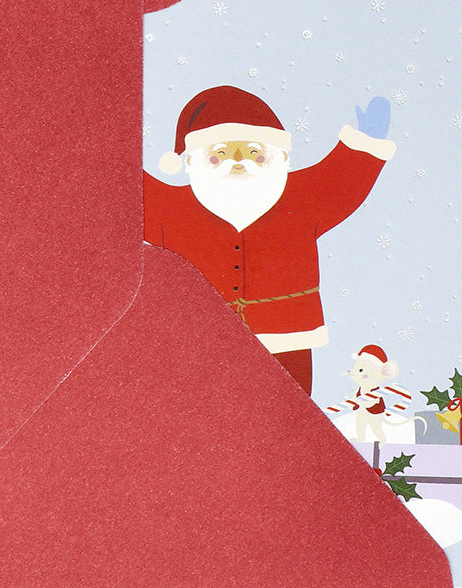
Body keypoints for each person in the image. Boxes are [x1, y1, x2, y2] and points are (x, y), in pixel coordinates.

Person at [144, 86, 395, 394]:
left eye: (254, 153)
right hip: (200, 342)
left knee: (289, 406)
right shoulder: (173, 210)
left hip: (286, 338)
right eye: (219, 155)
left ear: (280, 157)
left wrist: (364, 144)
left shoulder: (301, 200)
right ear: (191, 162)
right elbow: (132, 194)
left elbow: (339, 181)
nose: (238, 162)